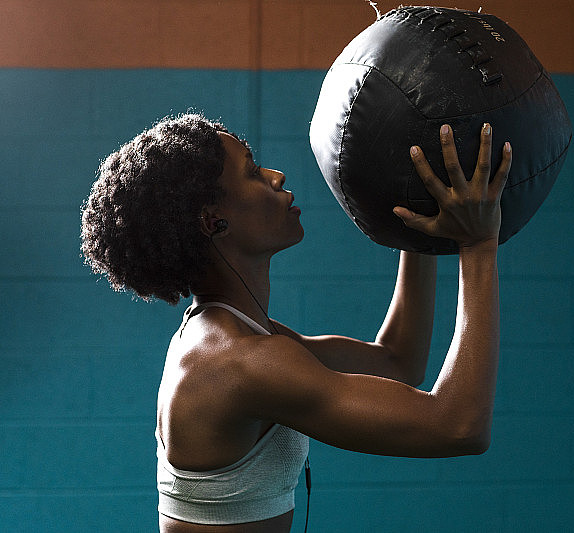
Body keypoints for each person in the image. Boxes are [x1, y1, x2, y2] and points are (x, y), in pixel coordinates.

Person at [80, 113, 512, 532]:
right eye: (251, 171)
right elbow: (460, 426)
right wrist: (477, 245)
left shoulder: (233, 333)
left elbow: (399, 361)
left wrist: (415, 226)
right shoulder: (238, 362)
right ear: (213, 222)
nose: (276, 176)